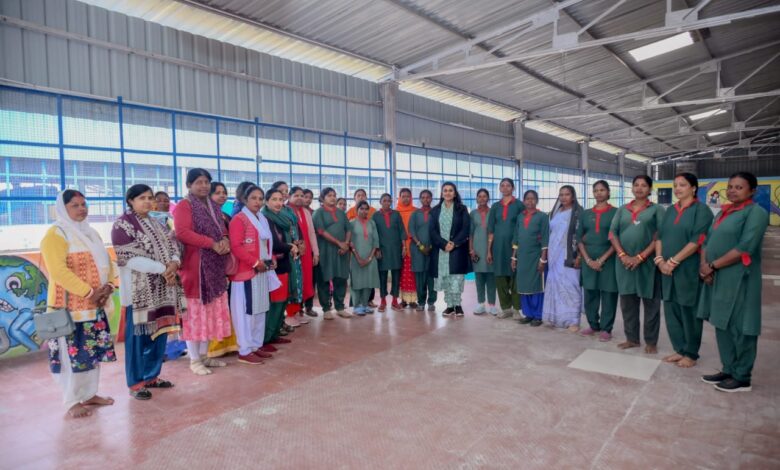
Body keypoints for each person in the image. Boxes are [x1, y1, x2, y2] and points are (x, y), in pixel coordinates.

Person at [40, 190, 116, 418]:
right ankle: (71, 401)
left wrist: (109, 286)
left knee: (90, 353)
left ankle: (89, 394)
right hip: (69, 310)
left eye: (84, 204)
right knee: (69, 356)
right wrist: (89, 292)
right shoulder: (56, 234)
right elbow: (58, 271)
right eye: (75, 205)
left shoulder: (90, 232)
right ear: (63, 209)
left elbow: (107, 263)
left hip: (95, 306)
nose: (82, 209)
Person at [699, 172, 768, 393]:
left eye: (739, 187)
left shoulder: (756, 213)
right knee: (722, 323)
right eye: (730, 186)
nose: (732, 191)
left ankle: (742, 376)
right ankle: (728, 369)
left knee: (742, 325)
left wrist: (713, 266)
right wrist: (704, 266)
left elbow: (745, 246)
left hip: (740, 277)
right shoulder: (723, 212)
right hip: (717, 276)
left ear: (752, 191)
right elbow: (707, 241)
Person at [112, 184, 182, 400]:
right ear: (130, 201)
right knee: (137, 339)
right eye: (142, 198)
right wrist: (163, 269)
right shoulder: (122, 225)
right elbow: (130, 258)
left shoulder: (157, 223)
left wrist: (174, 263)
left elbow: (173, 246)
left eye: (150, 198)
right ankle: (136, 382)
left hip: (163, 289)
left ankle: (152, 376)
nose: (148, 202)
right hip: (139, 293)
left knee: (158, 335)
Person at [174, 168, 232, 375]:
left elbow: (222, 228)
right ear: (189, 185)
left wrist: (224, 240)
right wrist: (211, 243)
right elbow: (182, 232)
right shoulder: (184, 205)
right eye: (198, 182)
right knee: (195, 315)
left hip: (214, 267)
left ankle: (205, 356)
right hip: (195, 268)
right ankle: (194, 360)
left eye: (206, 182)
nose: (204, 186)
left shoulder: (212, 205)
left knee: (210, 314)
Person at [656, 173, 713, 368]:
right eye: (675, 185)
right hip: (666, 270)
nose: (677, 189)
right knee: (671, 310)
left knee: (689, 311)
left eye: (682, 185)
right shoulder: (670, 210)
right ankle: (679, 349)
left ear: (693, 188)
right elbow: (659, 236)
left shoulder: (701, 211)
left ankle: (691, 353)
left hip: (687, 269)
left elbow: (698, 240)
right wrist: (660, 261)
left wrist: (672, 262)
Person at [609, 175, 665, 354]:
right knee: (627, 303)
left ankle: (651, 341)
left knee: (651, 305)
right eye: (636, 185)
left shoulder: (656, 210)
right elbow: (612, 233)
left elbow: (660, 235)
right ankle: (632, 339)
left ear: (650, 189)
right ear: (632, 188)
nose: (639, 188)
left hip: (648, 264)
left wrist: (640, 257)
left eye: (644, 185)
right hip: (623, 264)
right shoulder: (622, 210)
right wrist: (623, 255)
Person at [229, 185, 281, 365]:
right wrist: (255, 262)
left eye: (260, 198)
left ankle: (255, 345)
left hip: (262, 270)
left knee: (260, 310)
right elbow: (236, 246)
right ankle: (244, 350)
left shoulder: (262, 218)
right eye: (253, 198)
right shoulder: (239, 219)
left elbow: (266, 244)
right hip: (246, 272)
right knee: (246, 313)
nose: (257, 202)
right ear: (245, 199)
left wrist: (271, 258)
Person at [577, 181, 618, 341]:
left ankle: (607, 328)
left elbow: (617, 239)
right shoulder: (585, 214)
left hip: (609, 259)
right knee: (590, 293)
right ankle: (593, 325)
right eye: (596, 190)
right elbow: (579, 239)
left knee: (609, 294)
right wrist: (587, 260)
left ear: (608, 192)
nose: (599, 193)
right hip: (588, 260)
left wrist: (601, 260)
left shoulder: (616, 212)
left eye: (602, 190)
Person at [542, 185, 583, 332]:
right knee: (555, 284)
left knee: (571, 286)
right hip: (554, 255)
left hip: (569, 254)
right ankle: (555, 317)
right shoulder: (555, 212)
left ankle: (573, 321)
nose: (564, 197)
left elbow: (582, 235)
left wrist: (579, 255)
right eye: (561, 194)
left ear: (573, 196)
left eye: (567, 194)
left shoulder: (578, 213)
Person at [207, 181, 240, 359]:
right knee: (212, 307)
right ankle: (211, 348)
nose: (222, 196)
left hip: (224, 265)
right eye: (217, 192)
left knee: (224, 305)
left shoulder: (225, 216)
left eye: (224, 192)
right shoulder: (204, 216)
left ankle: (226, 343)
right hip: (210, 265)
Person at [430, 182, 471, 317]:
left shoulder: (462, 209)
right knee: (446, 278)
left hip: (457, 249)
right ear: (442, 193)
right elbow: (432, 231)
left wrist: (454, 243)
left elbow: (465, 228)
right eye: (445, 190)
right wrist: (443, 244)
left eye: (450, 190)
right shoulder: (435, 211)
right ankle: (449, 306)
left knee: (456, 278)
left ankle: (457, 305)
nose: (448, 193)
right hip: (441, 251)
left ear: (455, 193)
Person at [263, 188, 296, 348]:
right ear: (267, 201)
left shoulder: (281, 218)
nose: (278, 203)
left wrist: (292, 245)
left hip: (284, 263)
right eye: (274, 199)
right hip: (273, 266)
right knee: (275, 304)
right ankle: (266, 338)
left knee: (282, 302)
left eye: (280, 199)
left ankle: (274, 334)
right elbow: (273, 243)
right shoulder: (265, 218)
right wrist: (290, 246)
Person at [488, 178, 525, 319]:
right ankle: (506, 308)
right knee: (500, 277)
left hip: (514, 247)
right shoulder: (495, 207)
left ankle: (516, 309)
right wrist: (489, 250)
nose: (505, 188)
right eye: (502, 185)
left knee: (515, 276)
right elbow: (491, 231)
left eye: (508, 185)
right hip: (498, 248)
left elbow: (523, 227)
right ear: (499, 188)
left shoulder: (519, 205)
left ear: (513, 188)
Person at [313, 187, 353, 319]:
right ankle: (326, 309)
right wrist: (339, 243)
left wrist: (346, 244)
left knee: (341, 279)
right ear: (322, 198)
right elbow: (321, 231)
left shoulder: (341, 213)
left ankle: (340, 307)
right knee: (324, 279)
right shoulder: (318, 213)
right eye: (329, 195)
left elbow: (348, 229)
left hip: (341, 252)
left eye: (334, 195)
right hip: (325, 251)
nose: (332, 198)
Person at [511, 190, 549, 327]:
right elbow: (516, 238)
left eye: (533, 199)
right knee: (523, 286)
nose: (530, 201)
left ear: (537, 200)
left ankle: (538, 315)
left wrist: (543, 259)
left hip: (536, 257)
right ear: (524, 201)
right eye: (527, 198)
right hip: (522, 257)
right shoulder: (520, 217)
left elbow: (545, 238)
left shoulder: (543, 217)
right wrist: (513, 258)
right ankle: (528, 314)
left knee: (536, 286)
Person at [270, 181, 304, 329]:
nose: (284, 194)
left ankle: (292, 314)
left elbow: (295, 227)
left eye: (286, 191)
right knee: (286, 285)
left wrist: (299, 241)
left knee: (296, 281)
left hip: (294, 249)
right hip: (283, 251)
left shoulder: (288, 210)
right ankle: (287, 316)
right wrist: (290, 244)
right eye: (280, 191)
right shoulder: (271, 213)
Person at [289, 186, 319, 322]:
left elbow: (311, 233)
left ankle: (300, 310)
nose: (300, 198)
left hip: (306, 252)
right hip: (292, 252)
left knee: (305, 280)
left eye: (302, 195)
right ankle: (292, 313)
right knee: (295, 281)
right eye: (296, 195)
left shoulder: (306, 212)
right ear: (289, 197)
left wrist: (315, 253)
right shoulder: (286, 211)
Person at [373, 193, 406, 312]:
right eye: (384, 200)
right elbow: (374, 234)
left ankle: (394, 301)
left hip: (396, 249)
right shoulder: (375, 216)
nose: (387, 203)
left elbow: (402, 230)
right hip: (382, 250)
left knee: (396, 275)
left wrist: (404, 247)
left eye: (389, 201)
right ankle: (383, 301)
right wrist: (376, 249)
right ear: (380, 202)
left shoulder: (396, 214)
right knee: (382, 275)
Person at [349, 201, 380, 315]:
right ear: (356, 210)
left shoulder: (372, 223)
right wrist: (358, 258)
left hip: (370, 258)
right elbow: (350, 242)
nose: (364, 211)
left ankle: (365, 304)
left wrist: (370, 258)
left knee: (368, 281)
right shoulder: (352, 223)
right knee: (357, 282)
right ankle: (356, 306)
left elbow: (376, 241)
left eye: (366, 209)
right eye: (361, 209)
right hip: (356, 258)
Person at [408, 190, 437, 312]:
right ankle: (421, 302)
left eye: (428, 197)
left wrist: (431, 247)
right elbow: (411, 231)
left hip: (433, 250)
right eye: (423, 197)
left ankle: (431, 302)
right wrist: (420, 246)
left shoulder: (435, 213)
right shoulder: (415, 214)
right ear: (420, 199)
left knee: (432, 276)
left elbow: (439, 231)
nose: (425, 199)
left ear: (431, 199)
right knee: (420, 277)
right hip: (417, 250)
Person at [470, 188, 496, 315]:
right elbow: (470, 233)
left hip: (491, 249)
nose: (482, 198)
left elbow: (494, 232)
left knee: (491, 277)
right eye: (479, 196)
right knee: (479, 277)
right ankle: (480, 304)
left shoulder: (493, 212)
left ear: (488, 198)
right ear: (476, 198)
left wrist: (491, 250)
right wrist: (471, 250)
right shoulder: (473, 214)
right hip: (477, 249)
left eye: (484, 196)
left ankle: (492, 305)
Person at [396, 188, 418, 308]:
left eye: (408, 196)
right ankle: (403, 299)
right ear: (399, 198)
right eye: (403, 196)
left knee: (413, 273)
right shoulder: (395, 212)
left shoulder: (416, 211)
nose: (405, 199)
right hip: (400, 247)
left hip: (414, 246)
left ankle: (413, 300)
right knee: (402, 274)